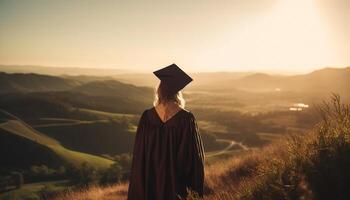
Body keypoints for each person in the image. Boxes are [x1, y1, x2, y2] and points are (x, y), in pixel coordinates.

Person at [127, 64, 205, 200]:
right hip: (176, 186)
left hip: (150, 182)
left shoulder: (147, 117)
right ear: (177, 92)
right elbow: (192, 159)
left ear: (160, 90)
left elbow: (140, 156)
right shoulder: (186, 119)